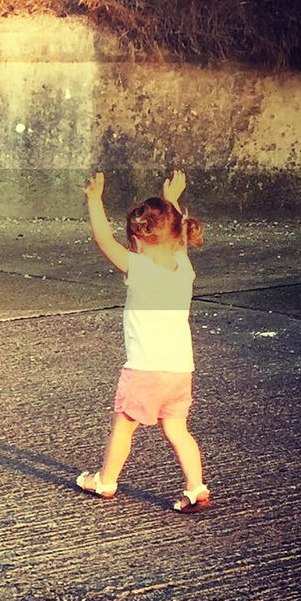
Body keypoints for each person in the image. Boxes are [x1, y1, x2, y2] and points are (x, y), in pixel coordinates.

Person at [76, 169, 211, 512]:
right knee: (178, 430)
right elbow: (177, 237)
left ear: (135, 242)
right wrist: (174, 200)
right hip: (180, 370)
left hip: (146, 369)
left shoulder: (139, 269)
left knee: (123, 425)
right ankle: (196, 488)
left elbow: (103, 241)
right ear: (177, 235)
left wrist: (94, 200)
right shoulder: (183, 268)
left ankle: (105, 481)